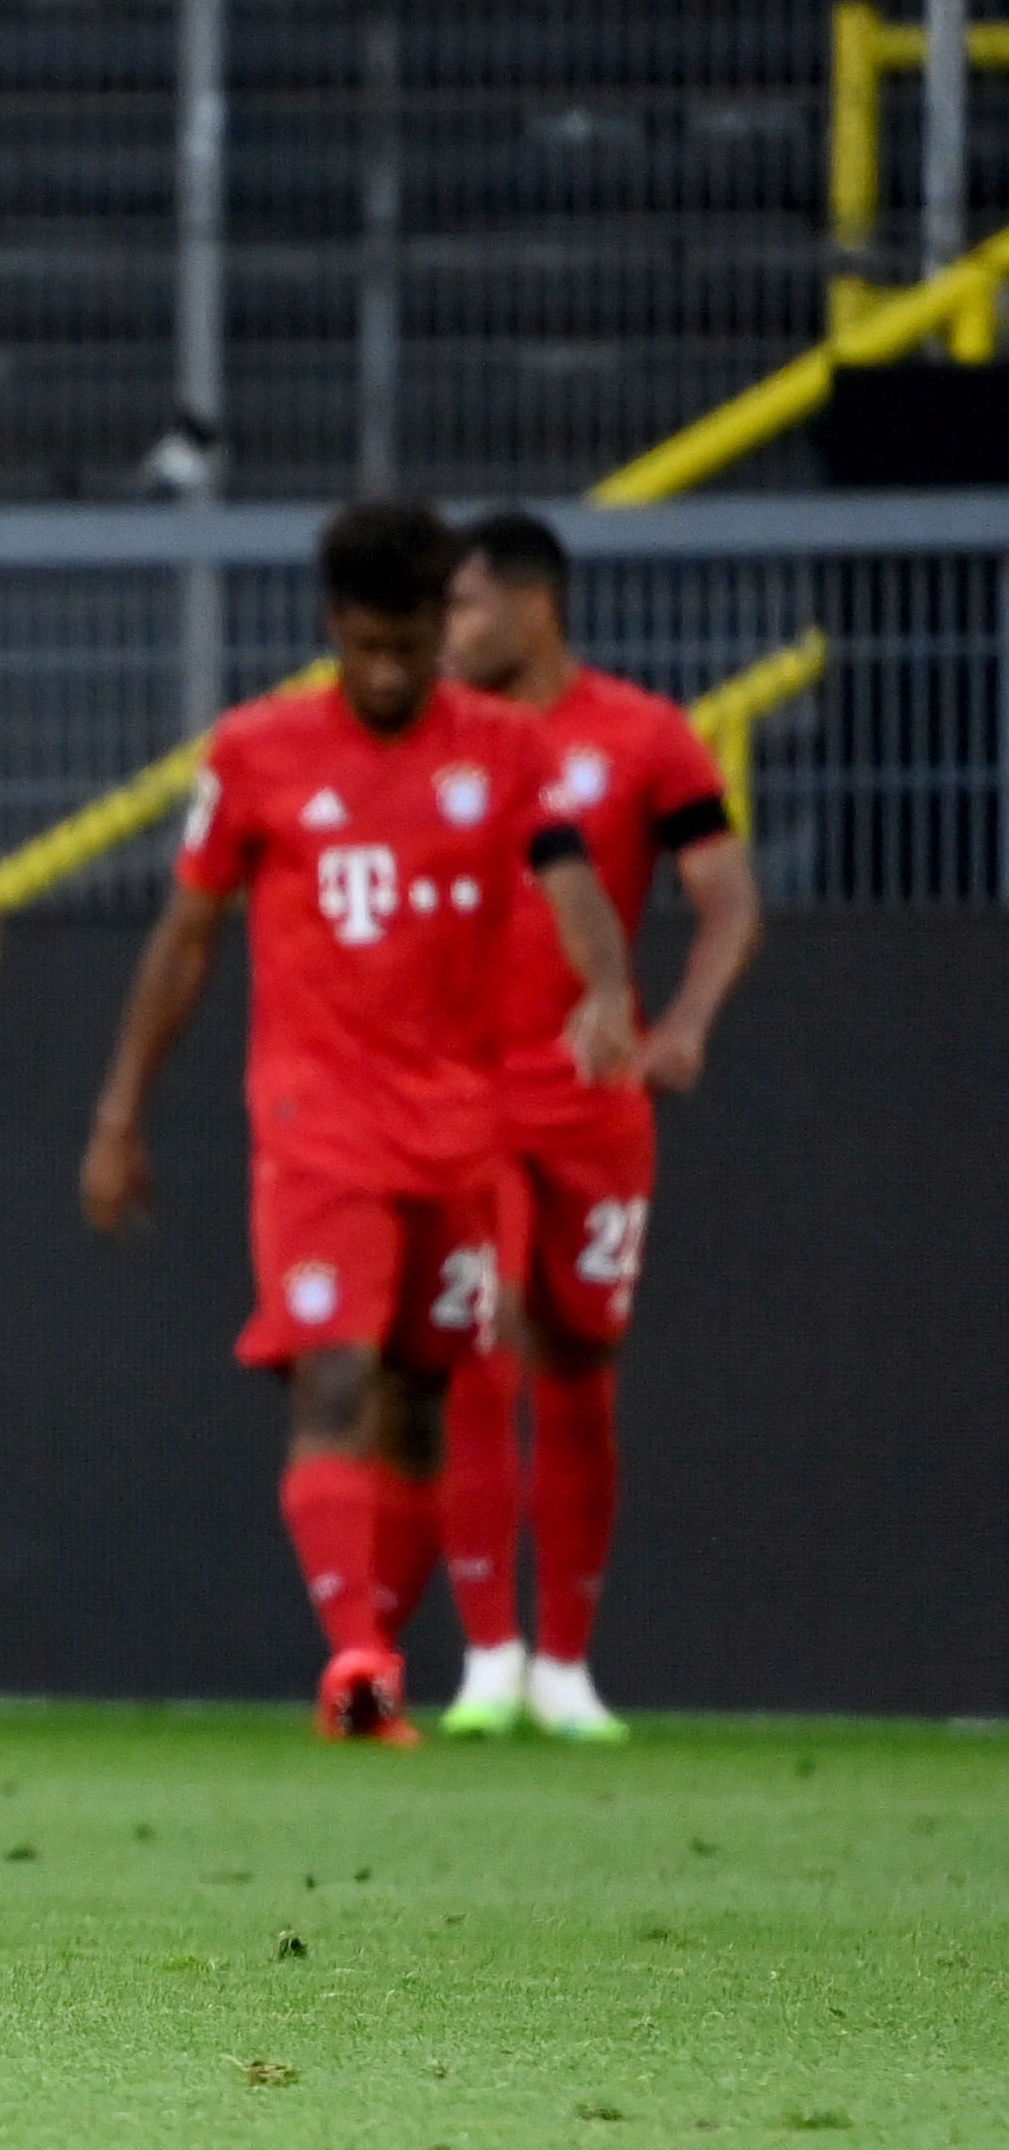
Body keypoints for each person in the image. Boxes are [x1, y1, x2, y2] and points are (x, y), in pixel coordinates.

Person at [80, 499, 638, 1744]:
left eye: (411, 647)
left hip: (460, 1126)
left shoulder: (502, 746)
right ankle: (354, 1659)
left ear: (444, 629)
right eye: (367, 646)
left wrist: (606, 988)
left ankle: (371, 1661)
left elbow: (570, 881)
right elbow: (185, 938)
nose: (389, 674)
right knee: (331, 1374)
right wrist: (121, 1111)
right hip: (317, 1123)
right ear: (333, 627)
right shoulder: (257, 749)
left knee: (423, 1402)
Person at [432, 511, 760, 1741]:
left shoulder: (643, 737)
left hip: (590, 1101)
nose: (446, 633)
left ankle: (566, 1663)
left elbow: (726, 895)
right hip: (463, 1096)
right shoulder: (433, 743)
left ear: (533, 605)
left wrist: (682, 1022)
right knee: (482, 1338)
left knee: (578, 1369)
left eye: (463, 607)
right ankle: (486, 1654)